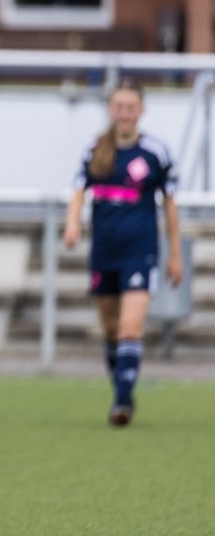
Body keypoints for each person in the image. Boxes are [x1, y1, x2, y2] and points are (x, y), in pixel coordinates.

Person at [62, 81, 183, 427]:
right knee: (111, 327)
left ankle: (123, 401)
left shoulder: (155, 152)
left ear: (141, 110)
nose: (125, 114)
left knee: (131, 326)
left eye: (131, 107)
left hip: (140, 251)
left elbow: (171, 206)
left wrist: (175, 254)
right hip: (103, 250)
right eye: (119, 107)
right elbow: (77, 191)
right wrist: (72, 224)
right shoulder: (94, 149)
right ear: (111, 110)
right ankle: (122, 384)